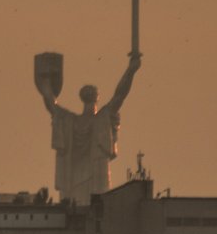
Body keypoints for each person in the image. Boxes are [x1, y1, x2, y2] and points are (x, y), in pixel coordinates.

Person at [37, 53, 141, 204]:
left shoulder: (69, 120)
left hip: (74, 182)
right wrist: (130, 71)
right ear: (96, 98)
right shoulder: (102, 117)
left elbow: (51, 103)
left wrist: (44, 82)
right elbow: (120, 95)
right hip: (94, 178)